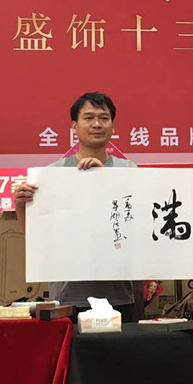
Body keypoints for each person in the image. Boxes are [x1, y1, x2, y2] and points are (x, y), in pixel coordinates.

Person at [14, 92, 137, 321]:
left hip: (118, 293)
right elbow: (38, 238)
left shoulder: (129, 170)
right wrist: (21, 206)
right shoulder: (52, 174)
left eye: (104, 118)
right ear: (74, 127)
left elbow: (139, 225)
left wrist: (105, 180)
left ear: (113, 126)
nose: (97, 124)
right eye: (88, 118)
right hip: (68, 295)